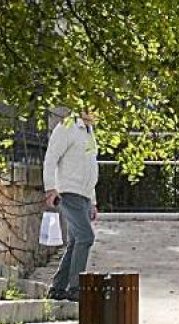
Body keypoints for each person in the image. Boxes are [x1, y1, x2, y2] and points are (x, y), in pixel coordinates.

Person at [43, 107, 99, 301]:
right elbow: (51, 157)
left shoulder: (90, 133)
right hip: (68, 192)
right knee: (86, 237)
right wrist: (50, 187)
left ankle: (57, 289)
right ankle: (76, 288)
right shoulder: (67, 126)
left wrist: (92, 201)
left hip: (83, 196)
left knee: (76, 241)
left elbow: (90, 167)